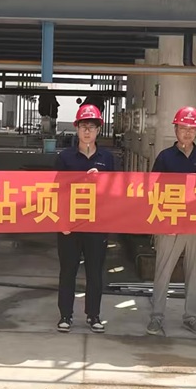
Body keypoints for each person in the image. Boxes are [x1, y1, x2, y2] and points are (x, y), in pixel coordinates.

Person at [147, 106, 196, 337]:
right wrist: (161, 222)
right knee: (163, 270)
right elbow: (153, 189)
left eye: (192, 129)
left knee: (194, 271)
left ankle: (191, 317)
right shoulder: (165, 157)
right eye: (183, 128)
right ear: (175, 129)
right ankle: (157, 316)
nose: (187, 133)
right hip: (170, 222)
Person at [54, 104, 115, 333]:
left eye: (92, 126)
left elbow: (117, 190)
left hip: (97, 223)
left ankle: (93, 315)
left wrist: (102, 180)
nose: (87, 131)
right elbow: (56, 190)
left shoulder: (107, 159)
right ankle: (65, 315)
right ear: (76, 129)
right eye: (83, 126)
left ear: (98, 130)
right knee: (68, 271)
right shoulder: (65, 158)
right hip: (70, 224)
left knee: (95, 272)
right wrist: (61, 221)